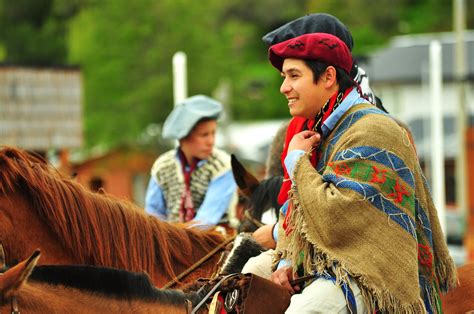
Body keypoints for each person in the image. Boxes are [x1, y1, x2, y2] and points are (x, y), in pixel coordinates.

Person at [260, 29, 457, 313]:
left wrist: (296, 162)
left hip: (375, 274)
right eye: (284, 78)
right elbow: (301, 211)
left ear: (328, 77)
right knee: (244, 281)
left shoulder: (372, 129)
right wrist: (289, 261)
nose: (284, 88)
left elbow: (335, 217)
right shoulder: (322, 127)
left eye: (294, 76)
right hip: (331, 262)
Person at [144, 95, 238, 230]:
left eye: (213, 133)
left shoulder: (223, 165)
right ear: (183, 137)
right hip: (170, 241)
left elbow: (206, 220)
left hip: (216, 243)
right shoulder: (162, 166)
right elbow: (153, 217)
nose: (211, 141)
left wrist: (174, 237)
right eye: (204, 135)